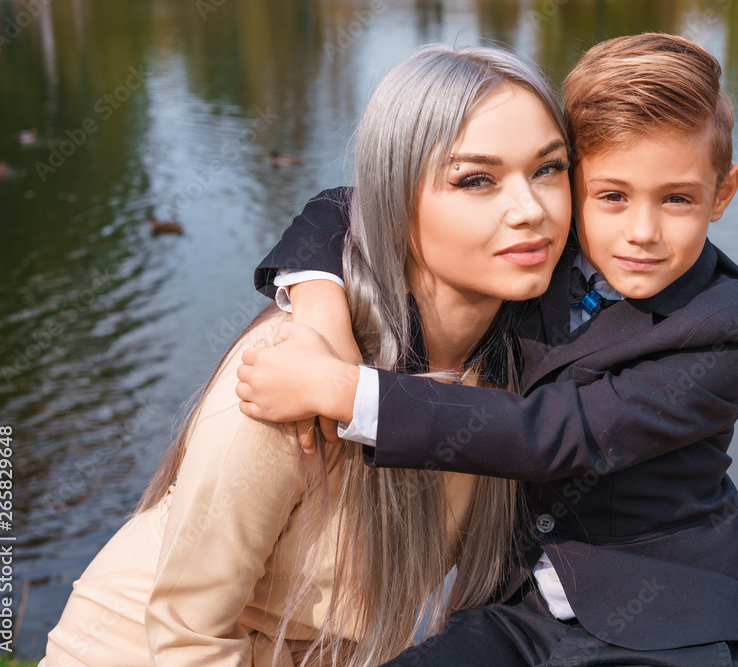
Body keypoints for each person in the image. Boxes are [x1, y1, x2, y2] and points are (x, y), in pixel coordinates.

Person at [239, 32, 738, 667]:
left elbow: (557, 434)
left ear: (724, 192)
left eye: (677, 198)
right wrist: (321, 320)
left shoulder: (723, 327)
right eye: (612, 196)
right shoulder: (537, 252)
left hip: (659, 616)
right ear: (569, 182)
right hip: (513, 606)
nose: (642, 232)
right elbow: (344, 208)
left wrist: (345, 390)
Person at [39, 43, 572, 667]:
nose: (530, 210)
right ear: (396, 203)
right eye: (476, 179)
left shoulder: (528, 360)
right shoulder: (283, 375)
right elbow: (187, 635)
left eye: (549, 169)